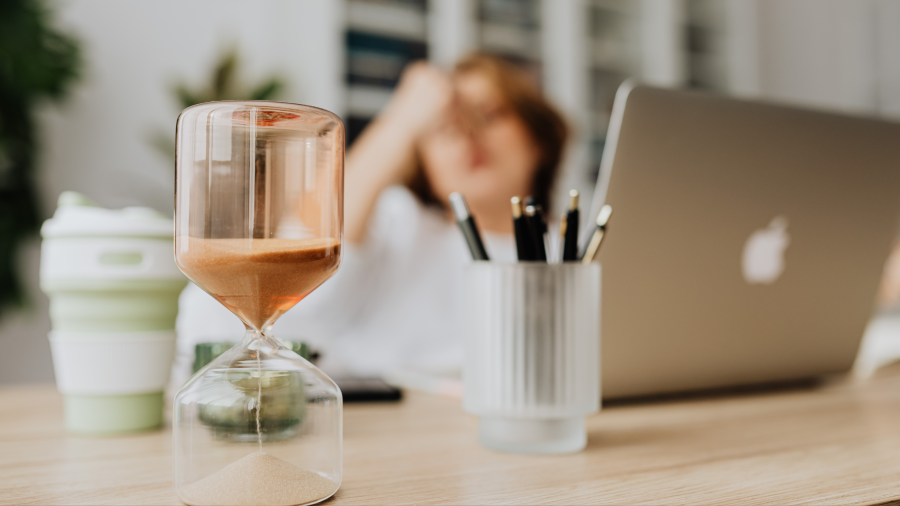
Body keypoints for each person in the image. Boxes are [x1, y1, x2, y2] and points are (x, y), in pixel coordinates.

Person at [175, 53, 569, 380]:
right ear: (424, 167)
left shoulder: (573, 251)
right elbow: (293, 261)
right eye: (445, 127)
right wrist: (402, 118)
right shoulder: (400, 223)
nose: (467, 136)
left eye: (490, 114)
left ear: (539, 137)